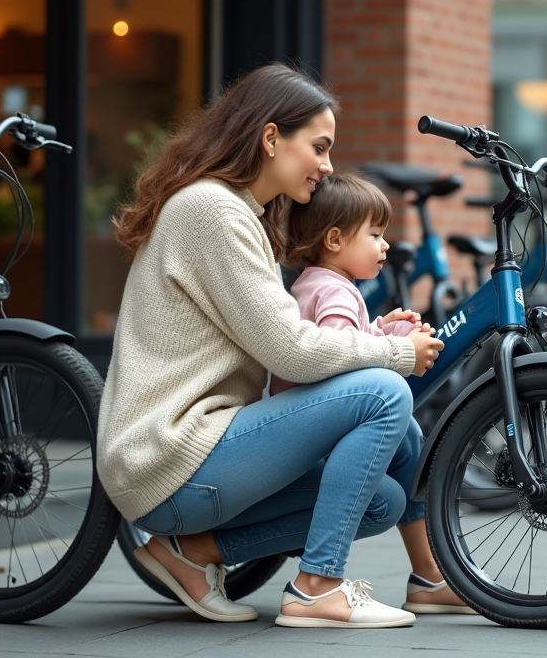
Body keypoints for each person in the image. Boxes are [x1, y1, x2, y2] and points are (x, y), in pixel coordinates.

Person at [97, 63, 444, 629]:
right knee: (384, 392)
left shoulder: (239, 214)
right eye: (321, 147)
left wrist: (372, 338)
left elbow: (286, 341)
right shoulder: (211, 211)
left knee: (380, 497)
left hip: (196, 457)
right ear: (271, 137)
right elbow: (291, 351)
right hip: (168, 453)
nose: (328, 166)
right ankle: (317, 586)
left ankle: (191, 554)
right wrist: (394, 354)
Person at [272, 172, 475, 615]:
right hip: (310, 435)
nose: (385, 245)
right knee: (405, 433)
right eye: (376, 234)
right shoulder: (333, 292)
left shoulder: (324, 286)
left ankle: (428, 575)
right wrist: (396, 351)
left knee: (409, 437)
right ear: (335, 239)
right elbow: (338, 364)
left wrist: (380, 331)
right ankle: (327, 579)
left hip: (310, 423)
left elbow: (343, 345)